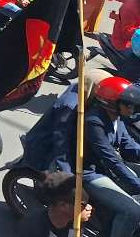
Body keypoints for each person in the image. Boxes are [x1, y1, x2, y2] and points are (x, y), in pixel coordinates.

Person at [78, 76, 140, 237]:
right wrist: (137, 184)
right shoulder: (94, 122)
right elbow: (110, 159)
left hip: (108, 167)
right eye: (128, 104)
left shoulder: (117, 119)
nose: (132, 109)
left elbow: (130, 146)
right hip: (91, 173)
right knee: (133, 212)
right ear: (112, 103)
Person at [18, 171, 91, 237]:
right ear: (62, 206)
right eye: (83, 205)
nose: (89, 207)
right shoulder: (32, 228)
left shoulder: (76, 221)